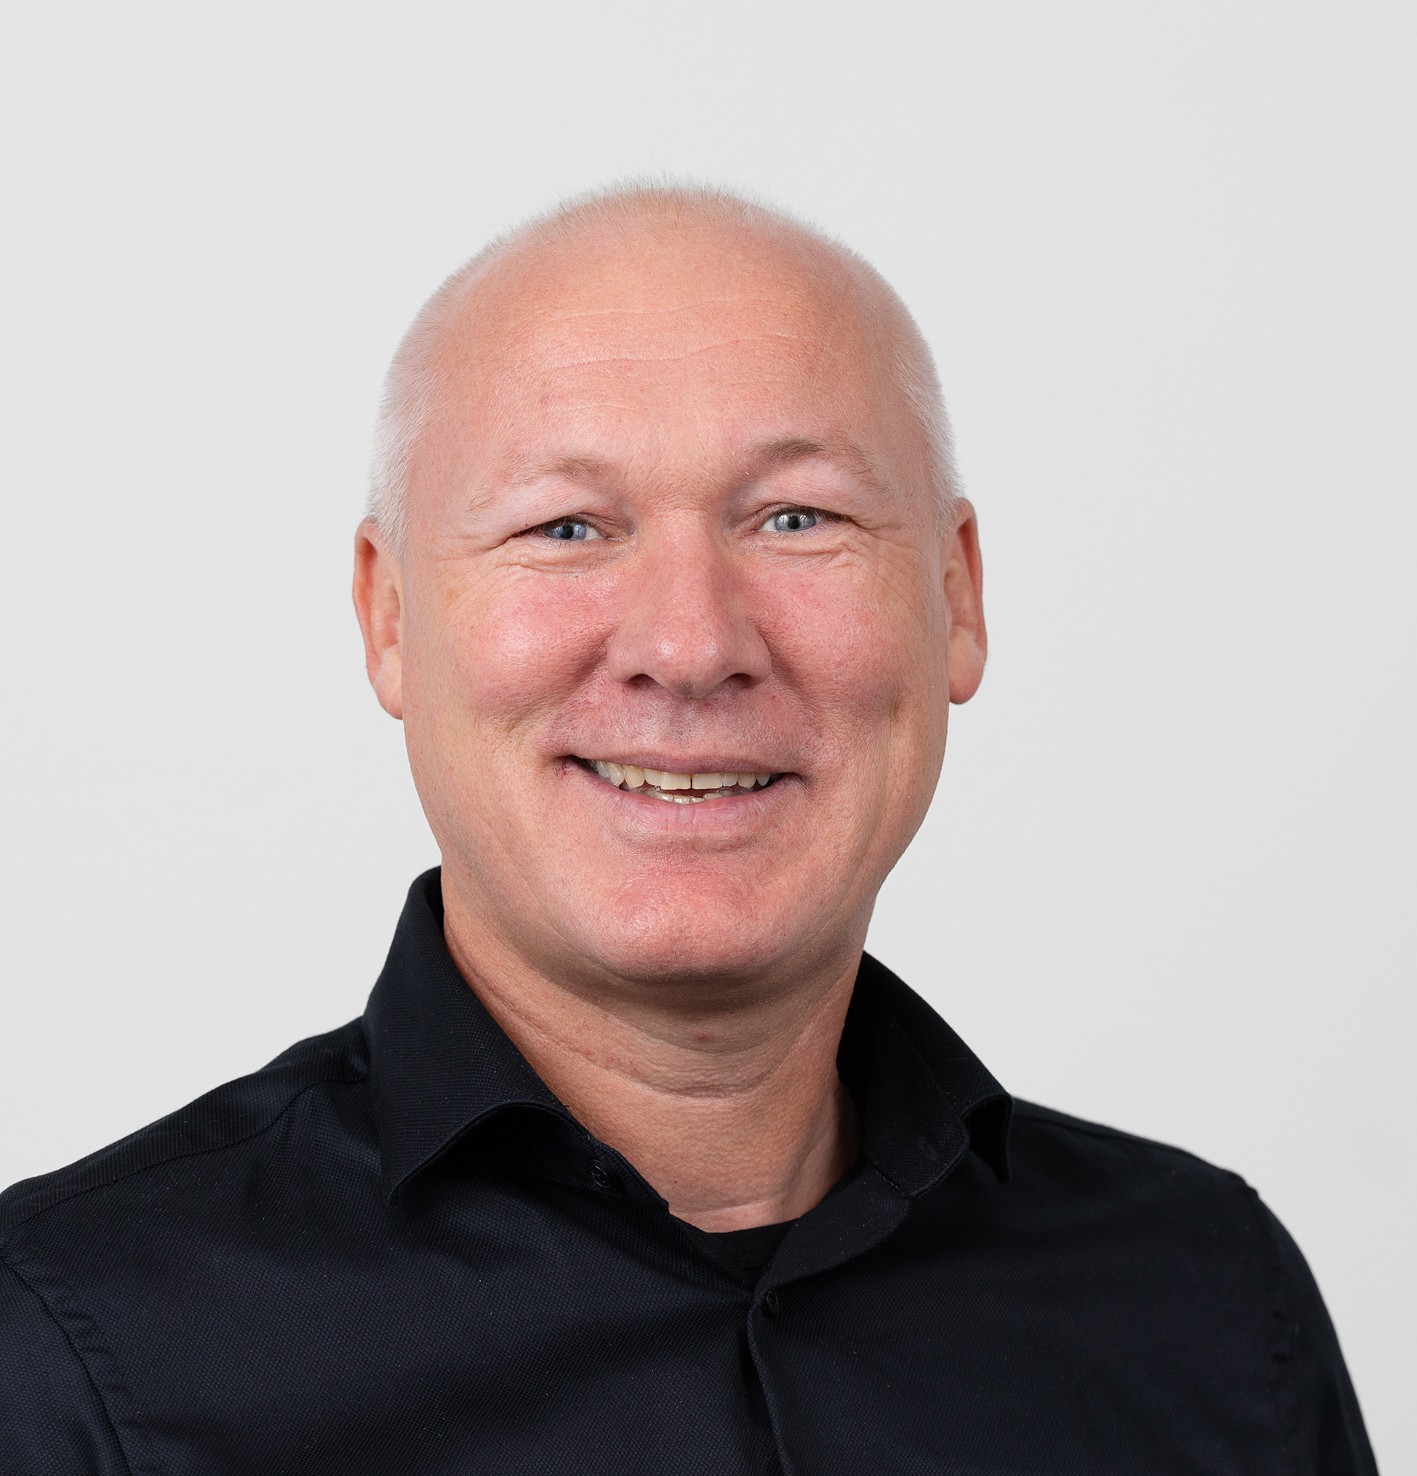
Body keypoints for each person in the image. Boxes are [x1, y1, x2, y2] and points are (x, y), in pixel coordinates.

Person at [0, 185, 1376, 1473]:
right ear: (390, 618)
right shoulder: (66, 1353)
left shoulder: (1212, 1307)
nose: (691, 644)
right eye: (565, 527)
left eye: (796, 517)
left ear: (956, 598)